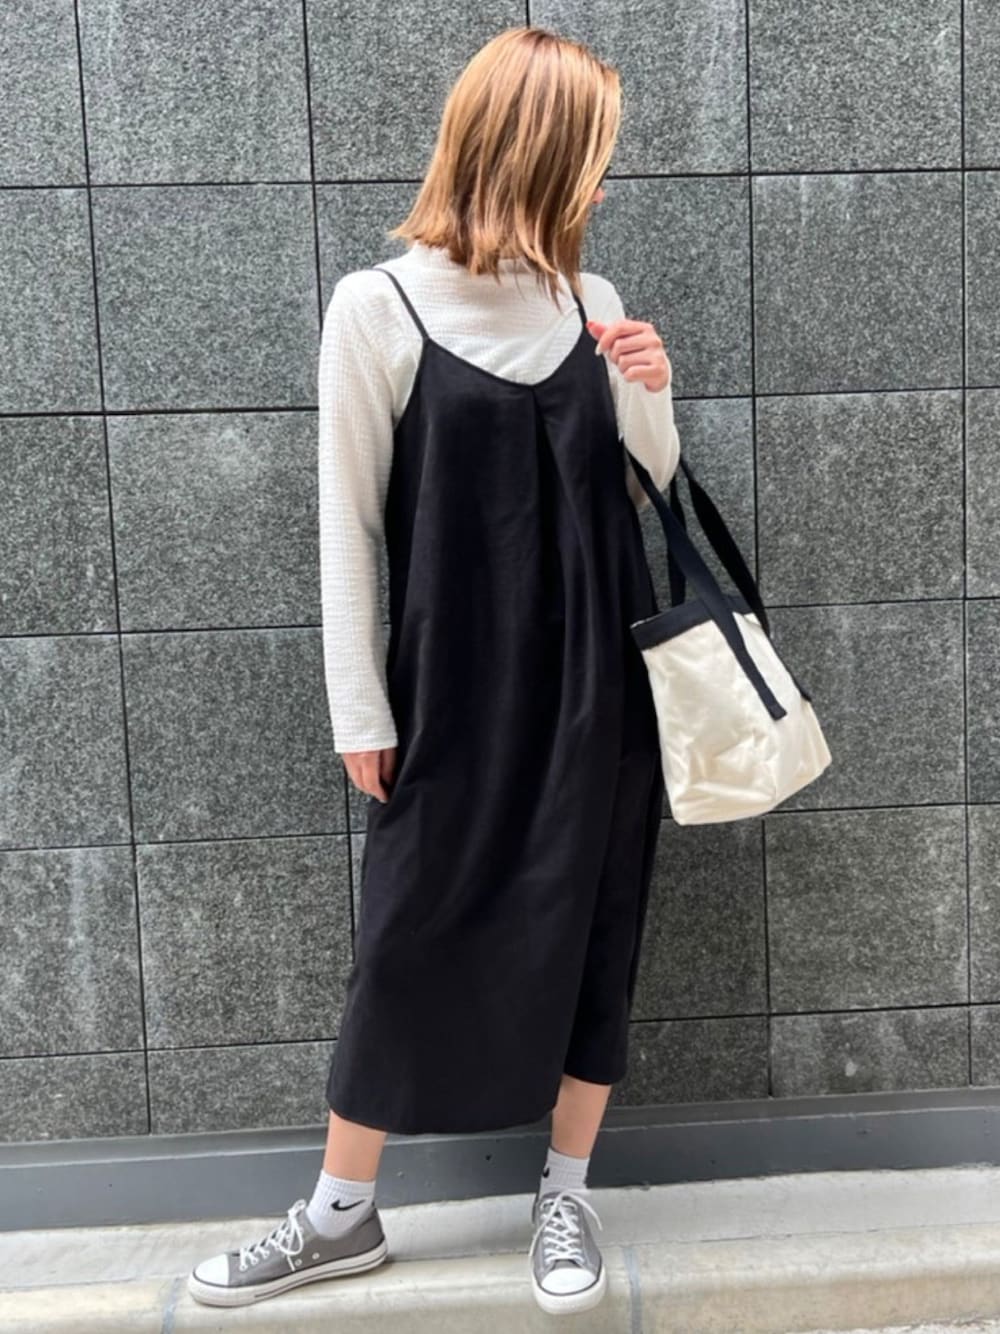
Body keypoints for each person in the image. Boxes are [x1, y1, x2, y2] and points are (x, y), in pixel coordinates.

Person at [187, 24, 680, 1317]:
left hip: (599, 685)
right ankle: (340, 1213)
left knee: (596, 926)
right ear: (538, 152)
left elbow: (645, 491)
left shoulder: (592, 300)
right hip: (450, 687)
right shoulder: (380, 306)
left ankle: (564, 1193)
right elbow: (347, 523)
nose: (603, 179)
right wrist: (361, 706)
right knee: (405, 938)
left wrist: (650, 389)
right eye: (593, 153)